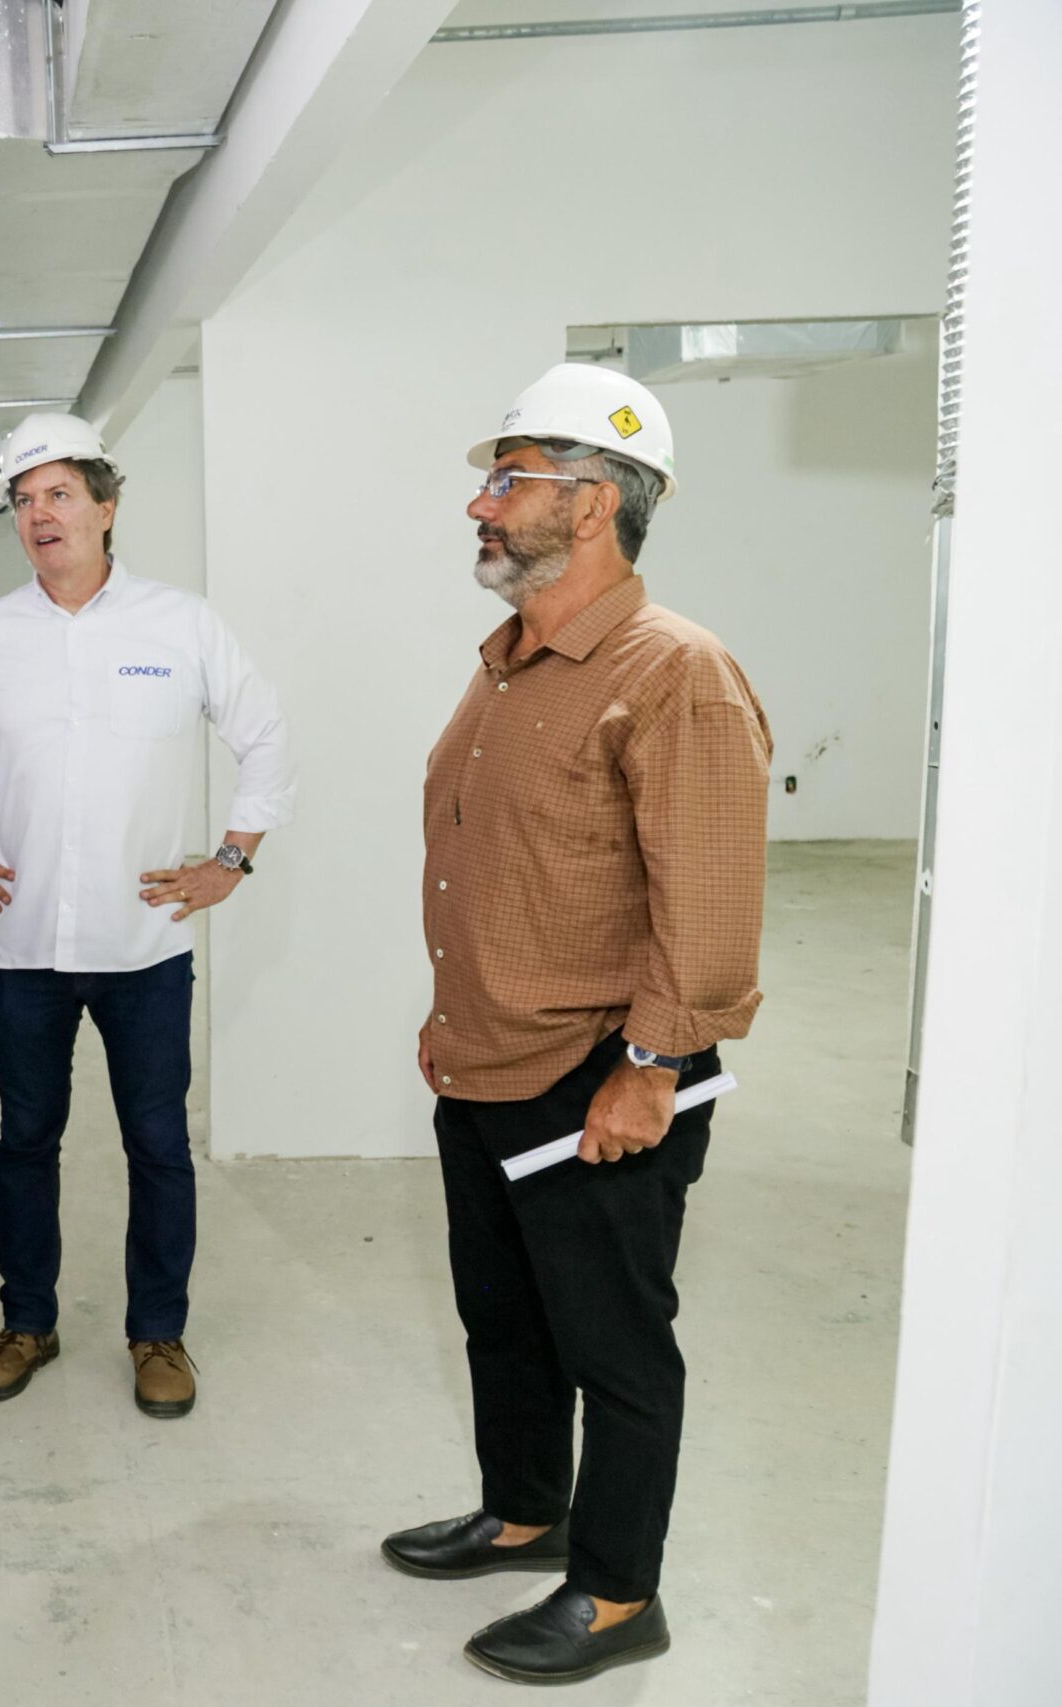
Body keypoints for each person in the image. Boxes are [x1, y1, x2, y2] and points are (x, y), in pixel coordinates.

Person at [382, 364, 770, 1685]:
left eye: (508, 483)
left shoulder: (677, 673)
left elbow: (704, 897)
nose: (479, 508)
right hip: (488, 1058)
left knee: (614, 1341)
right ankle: (525, 1508)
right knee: (504, 1317)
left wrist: (651, 1066)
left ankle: (615, 1590)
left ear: (593, 502)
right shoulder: (509, 662)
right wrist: (456, 1015)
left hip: (602, 1071)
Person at [0, 411, 295, 1421]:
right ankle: (25, 1322)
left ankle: (156, 1333)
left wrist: (232, 858)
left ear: (106, 509)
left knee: (156, 1144)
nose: (40, 514)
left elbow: (265, 736)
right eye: (25, 501)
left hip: (144, 944)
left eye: (59, 494)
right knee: (24, 1141)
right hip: (23, 941)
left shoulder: (180, 624)